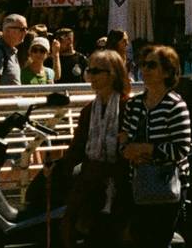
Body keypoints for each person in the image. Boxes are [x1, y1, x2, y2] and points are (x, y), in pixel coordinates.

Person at [121, 43, 192, 248]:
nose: (144, 70)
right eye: (142, 64)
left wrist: (146, 149)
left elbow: (181, 149)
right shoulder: (134, 104)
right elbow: (124, 139)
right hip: (138, 184)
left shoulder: (175, 106)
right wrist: (128, 152)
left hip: (166, 186)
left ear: (167, 71)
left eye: (151, 65)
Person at [69, 48, 132, 247]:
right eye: (89, 71)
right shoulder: (88, 111)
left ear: (112, 74)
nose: (91, 76)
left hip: (120, 184)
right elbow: (77, 148)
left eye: (96, 71)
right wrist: (55, 166)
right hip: (92, 182)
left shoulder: (129, 107)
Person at [0, 13, 28, 86]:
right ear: (7, 30)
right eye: (22, 29)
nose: (25, 32)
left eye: (26, 29)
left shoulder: (11, 51)